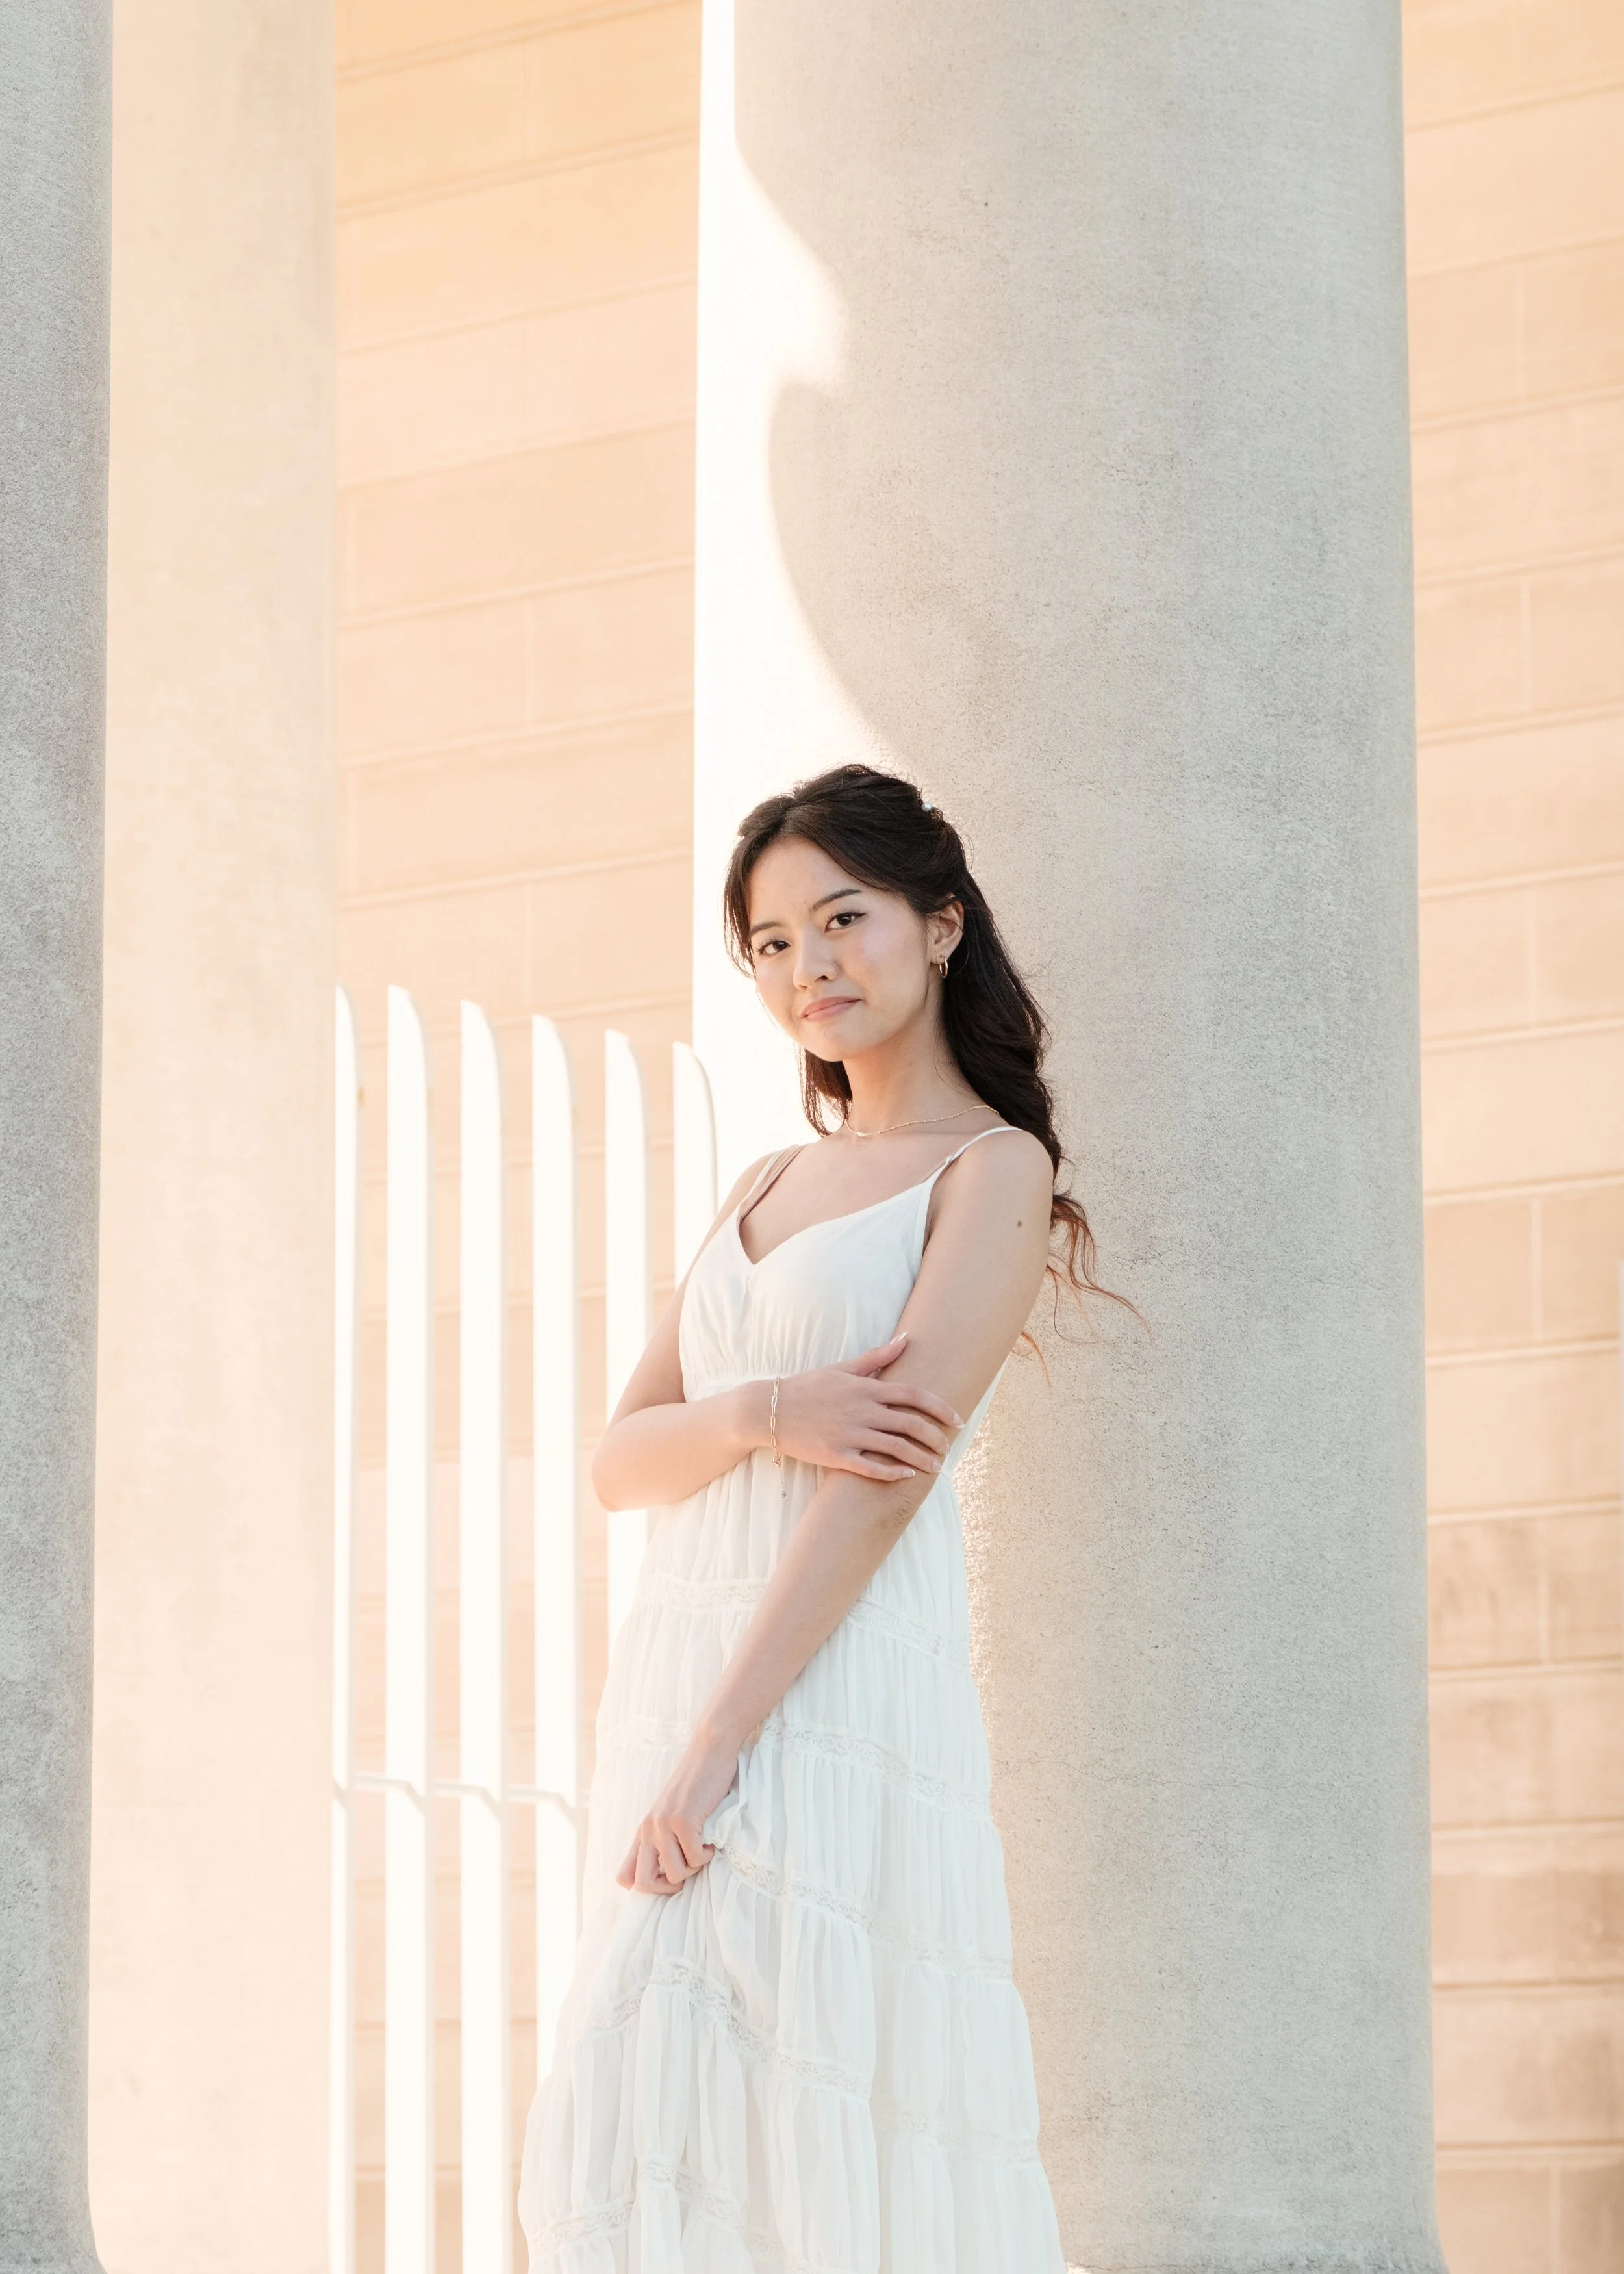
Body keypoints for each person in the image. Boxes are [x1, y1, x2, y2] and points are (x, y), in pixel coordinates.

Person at [519, 764, 1106, 2272]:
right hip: (683, 1684)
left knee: (801, 2100)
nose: (808, 968)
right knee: (649, 2099)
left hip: (820, 1694)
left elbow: (883, 1481)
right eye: (771, 943)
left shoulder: (993, 1169)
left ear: (940, 925)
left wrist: (721, 1745)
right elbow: (620, 1460)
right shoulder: (766, 1177)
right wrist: (757, 1414)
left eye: (841, 919)